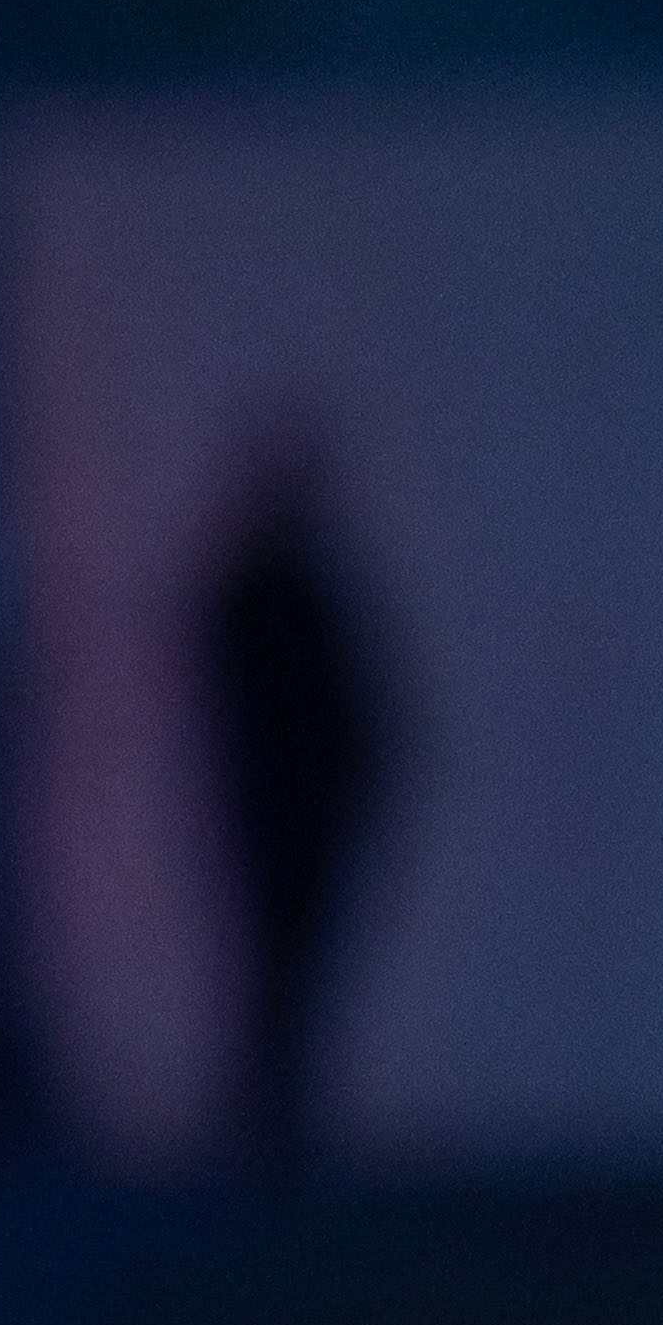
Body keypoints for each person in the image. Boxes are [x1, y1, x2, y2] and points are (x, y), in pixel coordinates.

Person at [191, 429, 393, 1178]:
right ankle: (268, 1118)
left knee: (283, 971)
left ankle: (267, 1115)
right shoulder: (275, 593)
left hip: (288, 806)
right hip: (290, 809)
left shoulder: (258, 591)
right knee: (284, 968)